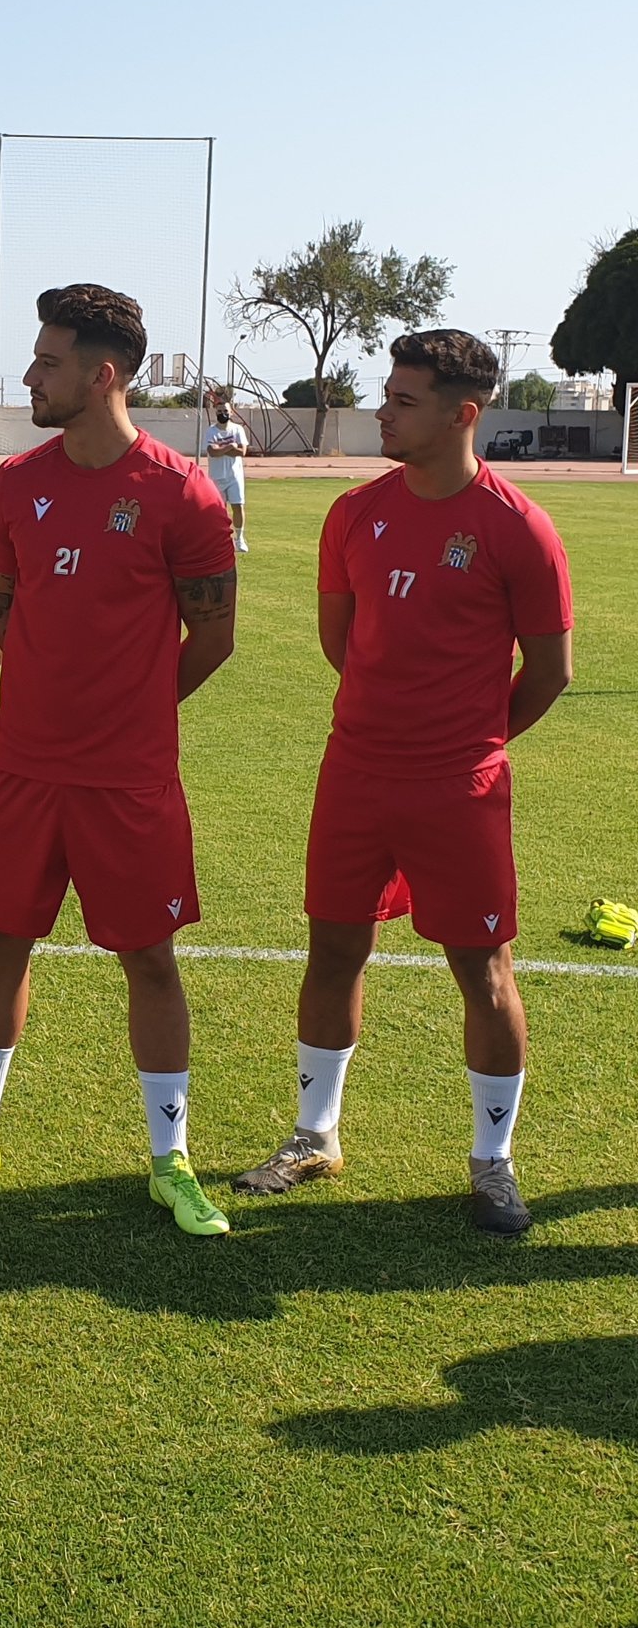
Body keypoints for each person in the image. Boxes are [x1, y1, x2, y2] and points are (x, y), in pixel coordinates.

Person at [0, 284, 239, 1236]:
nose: (31, 376)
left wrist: (132, 711)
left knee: (149, 960)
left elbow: (213, 637)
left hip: (129, 781)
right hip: (24, 771)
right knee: (0, 942)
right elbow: (2, 615)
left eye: (47, 362)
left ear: (102, 374)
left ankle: (171, 1158)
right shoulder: (12, 487)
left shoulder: (183, 493)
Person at [234, 330, 571, 1234]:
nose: (382, 409)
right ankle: (314, 1134)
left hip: (460, 788)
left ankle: (492, 1159)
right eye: (386, 393)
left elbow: (549, 671)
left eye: (404, 399)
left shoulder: (517, 527)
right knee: (333, 951)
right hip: (355, 774)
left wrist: (468, 739)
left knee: (484, 967)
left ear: (463, 414)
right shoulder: (354, 513)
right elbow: (342, 644)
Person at [204, 394, 250, 554]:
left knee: (238, 506)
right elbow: (212, 452)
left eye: (225, 410)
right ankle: (220, 539)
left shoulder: (238, 429)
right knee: (218, 510)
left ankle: (239, 538)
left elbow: (242, 451)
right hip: (217, 477)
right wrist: (230, 446)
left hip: (234, 476)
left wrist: (223, 448)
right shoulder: (211, 431)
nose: (222, 413)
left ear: (231, 412)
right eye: (219, 411)